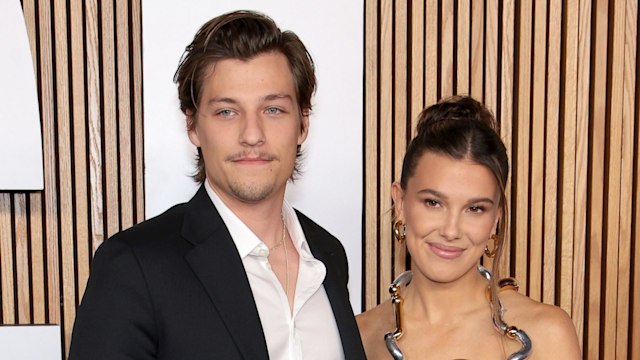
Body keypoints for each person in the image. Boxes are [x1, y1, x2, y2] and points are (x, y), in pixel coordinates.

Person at [69, 10, 365, 359]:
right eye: (227, 111)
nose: (252, 135)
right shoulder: (136, 267)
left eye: (272, 110)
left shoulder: (328, 254)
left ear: (302, 124)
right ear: (193, 126)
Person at [356, 96, 581, 359]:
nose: (451, 231)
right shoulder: (360, 336)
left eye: (475, 209)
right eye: (433, 202)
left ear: (495, 219)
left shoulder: (547, 334)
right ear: (400, 203)